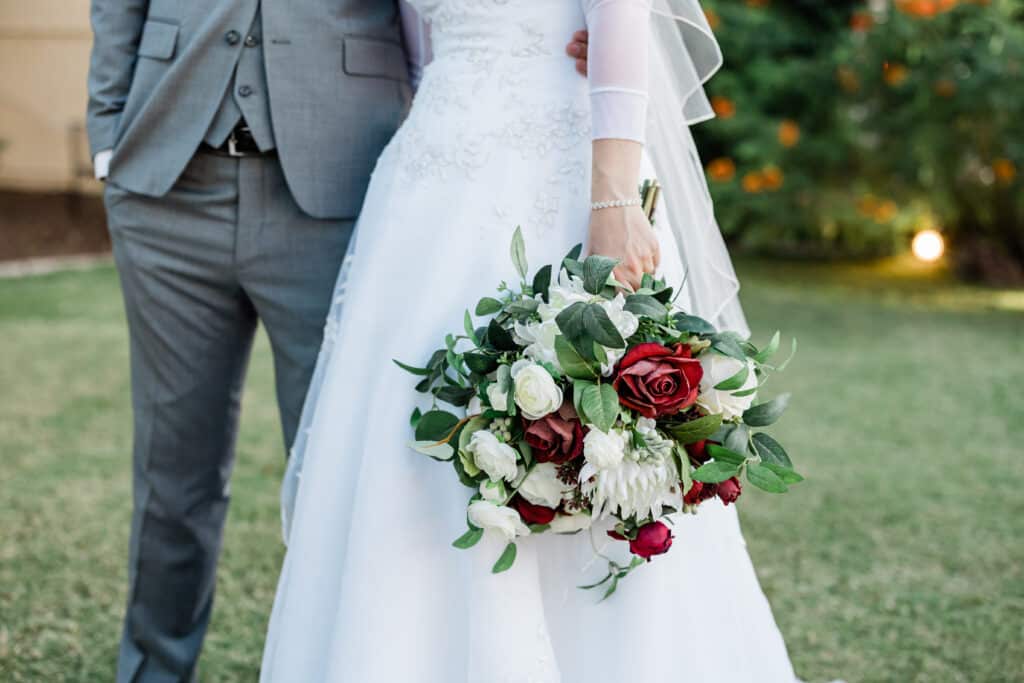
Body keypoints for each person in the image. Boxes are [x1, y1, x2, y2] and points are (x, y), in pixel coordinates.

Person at [261, 1, 798, 681]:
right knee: (412, 446)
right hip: (430, 187)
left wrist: (613, 200)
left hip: (561, 171)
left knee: (588, 427)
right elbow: (420, 48)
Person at [86, 0, 587, 679]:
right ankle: (151, 670)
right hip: (167, 184)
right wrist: (107, 135)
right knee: (172, 468)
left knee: (343, 466)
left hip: (342, 185)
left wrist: (571, 28)